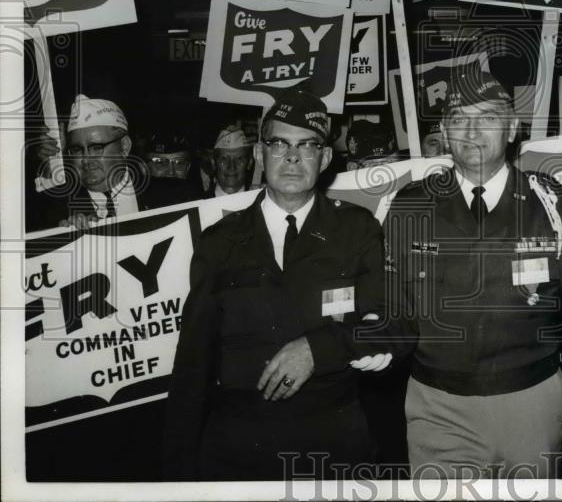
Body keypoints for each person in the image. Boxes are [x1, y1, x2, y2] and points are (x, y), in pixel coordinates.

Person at [383, 70, 562, 479]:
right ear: (442, 130)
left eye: (488, 117)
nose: (472, 131)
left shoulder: (552, 203)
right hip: (438, 404)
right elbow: (391, 304)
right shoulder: (410, 205)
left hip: (530, 401)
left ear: (513, 128)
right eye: (459, 118)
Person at [162, 88, 410, 480]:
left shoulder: (356, 231)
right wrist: (175, 475)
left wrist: (318, 349)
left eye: (308, 146)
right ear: (260, 155)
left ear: (325, 158)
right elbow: (192, 365)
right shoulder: (220, 242)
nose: (292, 157)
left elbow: (396, 325)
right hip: (238, 451)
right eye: (279, 143)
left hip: (332, 445)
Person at [30, 94, 200, 230]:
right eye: (77, 150)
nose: (86, 160)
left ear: (124, 147)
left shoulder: (177, 196)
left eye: (97, 147)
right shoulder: (60, 210)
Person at [206, 124, 257, 196]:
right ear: (213, 163)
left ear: (249, 163)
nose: (231, 167)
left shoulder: (260, 201)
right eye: (224, 159)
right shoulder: (197, 204)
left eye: (239, 159)